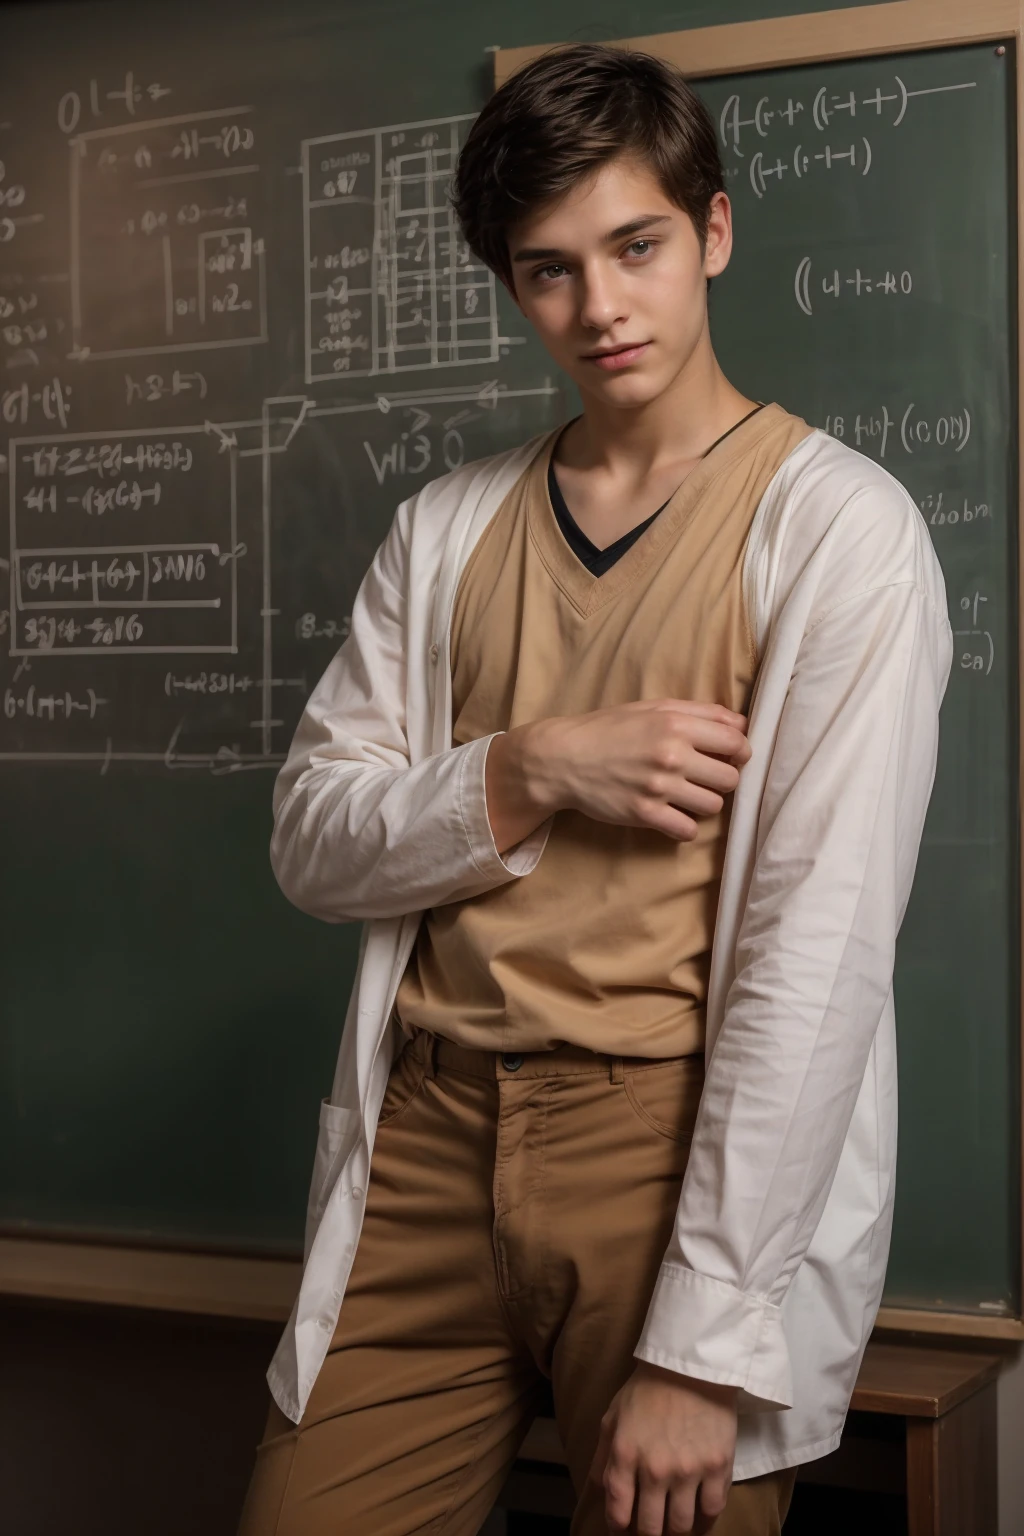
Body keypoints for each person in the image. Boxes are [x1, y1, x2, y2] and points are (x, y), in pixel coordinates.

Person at [237, 43, 952, 1536]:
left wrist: (705, 1347)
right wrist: (530, 768)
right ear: (512, 285)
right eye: (549, 270)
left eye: (635, 247)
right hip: (426, 1141)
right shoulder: (446, 527)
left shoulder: (840, 534)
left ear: (715, 232)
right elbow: (312, 838)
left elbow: (817, 957)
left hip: (667, 1150)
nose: (600, 308)